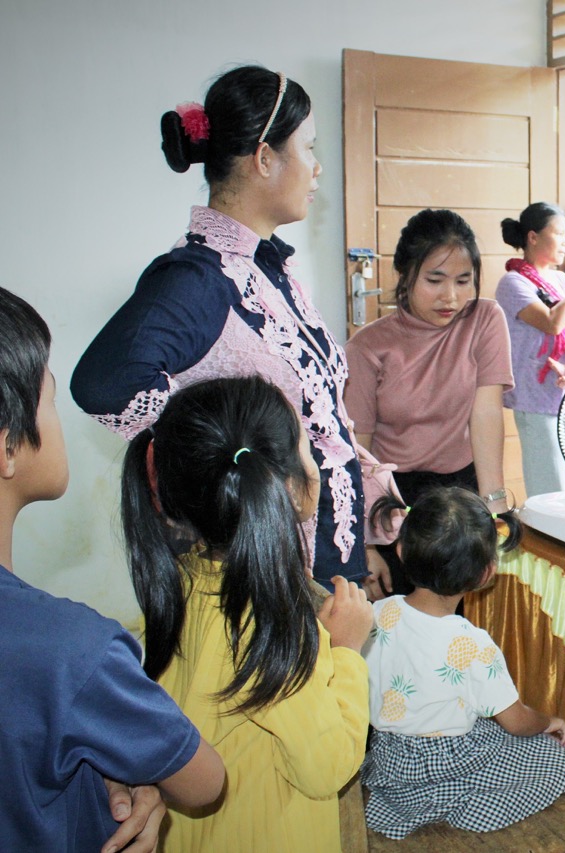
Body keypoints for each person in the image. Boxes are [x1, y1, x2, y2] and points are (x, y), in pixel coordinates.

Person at [70, 65, 373, 592]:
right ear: (264, 159)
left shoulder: (263, 270)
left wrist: (374, 509)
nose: (318, 168)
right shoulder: (200, 278)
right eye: (309, 148)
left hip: (327, 547)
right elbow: (102, 384)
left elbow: (323, 422)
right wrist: (210, 450)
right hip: (272, 565)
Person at [0, 287, 225, 853]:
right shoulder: (73, 652)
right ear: (6, 445)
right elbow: (205, 782)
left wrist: (107, 763)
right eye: (48, 398)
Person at [120, 375, 372, 850]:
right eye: (305, 444)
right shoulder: (278, 629)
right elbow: (328, 767)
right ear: (287, 487)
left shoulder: (177, 587)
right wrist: (347, 652)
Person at [361, 486, 565, 838]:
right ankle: (457, 802)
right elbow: (516, 722)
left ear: (402, 551)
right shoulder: (472, 644)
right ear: (486, 573)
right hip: (450, 763)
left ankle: (416, 801)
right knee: (558, 759)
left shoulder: (376, 612)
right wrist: (548, 721)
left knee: (481, 727)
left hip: (389, 760)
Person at [345, 209, 514, 596]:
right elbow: (359, 453)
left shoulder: (485, 319)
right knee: (399, 613)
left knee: (463, 612)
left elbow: (486, 413)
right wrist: (364, 544)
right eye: (434, 280)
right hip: (393, 500)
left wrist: (495, 507)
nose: (450, 297)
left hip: (461, 490)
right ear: (404, 274)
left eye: (463, 280)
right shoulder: (368, 347)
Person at [495, 202, 565, 495]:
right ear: (533, 237)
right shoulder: (512, 283)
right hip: (536, 400)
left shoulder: (559, 279)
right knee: (549, 490)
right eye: (559, 234)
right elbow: (554, 323)